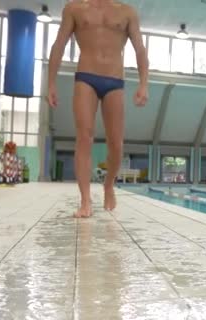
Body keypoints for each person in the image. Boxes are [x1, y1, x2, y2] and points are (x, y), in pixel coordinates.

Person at [47, 0, 149, 218]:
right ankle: (85, 201)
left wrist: (143, 83)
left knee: (116, 143)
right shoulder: (74, 8)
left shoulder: (127, 12)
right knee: (84, 138)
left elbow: (140, 49)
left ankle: (109, 185)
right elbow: (59, 45)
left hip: (115, 80)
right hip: (86, 77)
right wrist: (51, 83)